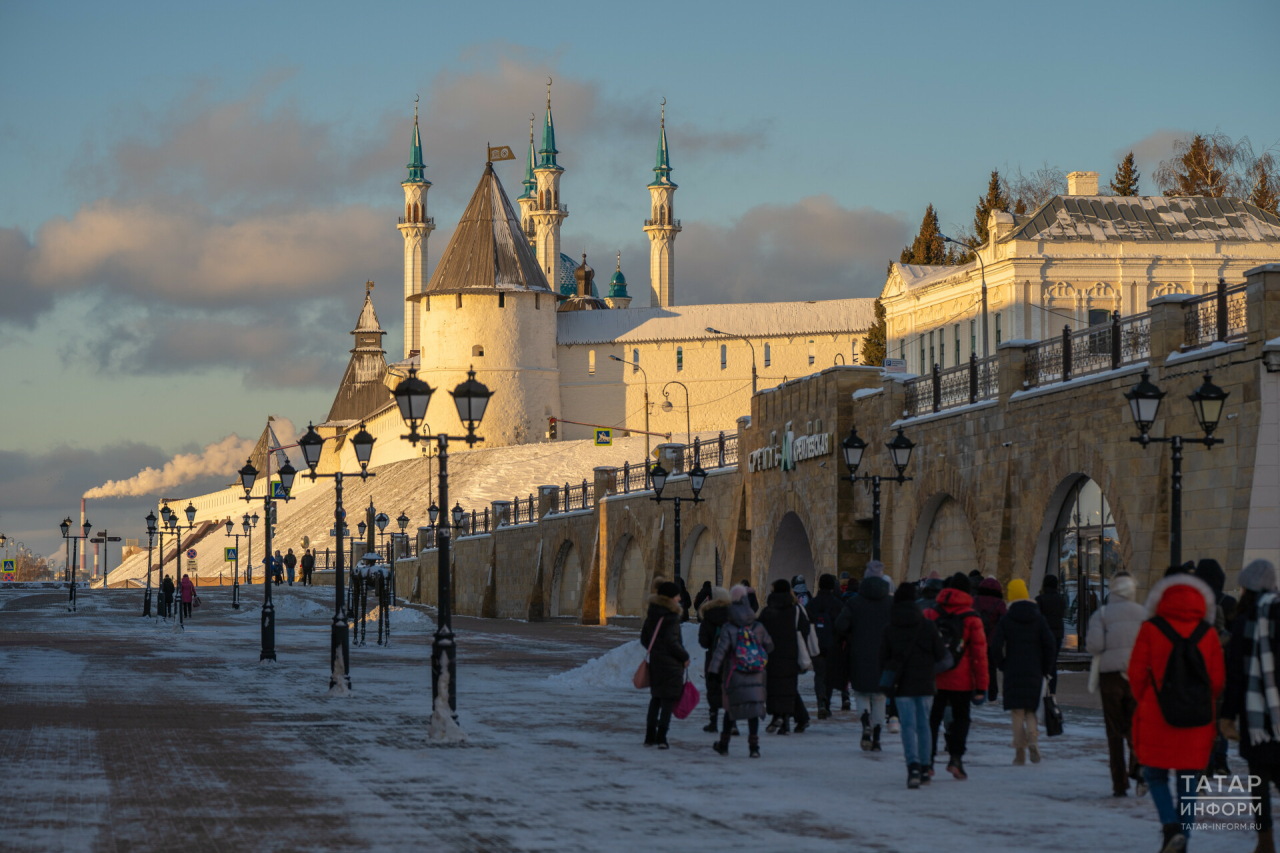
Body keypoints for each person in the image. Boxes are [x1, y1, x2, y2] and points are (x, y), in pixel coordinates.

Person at [1129, 569, 1224, 852]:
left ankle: (1170, 827)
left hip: (1157, 714)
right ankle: (1183, 839)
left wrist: (1147, 698)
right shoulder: (1207, 633)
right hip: (1195, 718)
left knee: (1155, 776)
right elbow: (1217, 680)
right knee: (1188, 782)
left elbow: (1136, 674)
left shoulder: (1150, 628)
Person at [1223, 560, 1280, 853]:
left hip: (1254, 715)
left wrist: (1227, 716)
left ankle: (1265, 841)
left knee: (1259, 783)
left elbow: (1236, 675)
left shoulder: (1243, 622)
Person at [1086, 571, 1147, 797]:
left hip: (1110, 676)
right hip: (1137, 675)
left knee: (1113, 731)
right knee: (1135, 726)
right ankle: (1138, 767)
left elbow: (1094, 646)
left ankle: (1119, 783)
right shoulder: (1143, 613)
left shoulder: (1101, 615)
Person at [881, 583, 946, 788]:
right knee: (924, 724)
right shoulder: (927, 625)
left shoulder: (890, 628)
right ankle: (926, 767)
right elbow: (941, 655)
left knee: (907, 726)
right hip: (926, 682)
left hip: (902, 685)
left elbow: (882, 659)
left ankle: (913, 768)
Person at [925, 573, 989, 780]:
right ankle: (955, 759)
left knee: (932, 719)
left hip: (934, 677)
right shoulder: (972, 617)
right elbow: (979, 655)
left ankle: (928, 762)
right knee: (961, 719)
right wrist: (981, 687)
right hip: (962, 680)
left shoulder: (930, 614)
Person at [989, 579, 1056, 765]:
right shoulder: (1038, 618)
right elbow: (1050, 644)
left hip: (1013, 670)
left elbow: (995, 646)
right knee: (1031, 711)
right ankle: (1033, 741)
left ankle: (1020, 753)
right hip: (1035, 670)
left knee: (1017, 712)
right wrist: (1046, 667)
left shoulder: (1006, 619)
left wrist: (1002, 664)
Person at [709, 585, 774, 758]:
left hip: (735, 673)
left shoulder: (729, 628)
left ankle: (724, 744)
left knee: (731, 710)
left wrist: (713, 670)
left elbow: (720, 651)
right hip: (756, 673)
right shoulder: (758, 626)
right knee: (753, 710)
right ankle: (754, 748)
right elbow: (769, 645)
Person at [835, 563, 893, 750]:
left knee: (861, 694)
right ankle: (876, 737)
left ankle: (865, 723)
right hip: (884, 658)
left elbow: (840, 625)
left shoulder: (854, 602)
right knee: (879, 697)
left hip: (859, 655)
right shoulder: (891, 603)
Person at [757, 578, 812, 734]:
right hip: (791, 656)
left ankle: (780, 718)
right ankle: (790, 721)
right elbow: (805, 629)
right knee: (789, 688)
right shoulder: (795, 611)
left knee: (774, 688)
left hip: (771, 656)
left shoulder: (767, 612)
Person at [640, 580, 690, 749]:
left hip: (656, 663)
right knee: (667, 701)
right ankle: (662, 737)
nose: (679, 598)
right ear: (670, 598)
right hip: (671, 665)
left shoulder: (652, 614)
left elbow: (644, 639)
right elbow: (672, 642)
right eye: (677, 595)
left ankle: (649, 736)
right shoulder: (672, 617)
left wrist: (655, 651)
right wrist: (684, 657)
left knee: (655, 699)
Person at [1195, 558, 1231, 779]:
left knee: (1204, 715)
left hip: (1199, 667)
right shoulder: (1229, 603)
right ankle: (1221, 760)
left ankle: (1206, 760)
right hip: (1224, 667)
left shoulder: (1197, 601)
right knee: (1221, 714)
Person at [807, 573, 844, 719]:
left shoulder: (812, 603)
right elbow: (843, 625)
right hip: (832, 645)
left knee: (819, 674)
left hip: (816, 645)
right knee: (829, 675)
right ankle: (826, 704)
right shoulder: (837, 604)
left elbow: (805, 623)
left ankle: (820, 701)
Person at [698, 586, 733, 734]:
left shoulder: (708, 616)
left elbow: (703, 642)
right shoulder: (734, 615)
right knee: (730, 689)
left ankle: (713, 722)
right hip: (731, 659)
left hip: (713, 659)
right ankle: (733, 723)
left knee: (713, 689)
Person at [974, 577, 1008, 702]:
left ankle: (977, 692)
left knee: (975, 666)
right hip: (992, 641)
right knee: (991, 668)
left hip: (976, 639)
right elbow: (1004, 621)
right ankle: (992, 694)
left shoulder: (975, 600)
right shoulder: (1000, 603)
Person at [1036, 575, 1068, 696]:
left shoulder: (1040, 599)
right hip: (1057, 635)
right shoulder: (1061, 599)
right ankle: (1052, 692)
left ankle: (1042, 689)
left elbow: (1037, 617)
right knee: (1052, 663)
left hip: (1043, 636)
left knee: (1041, 662)